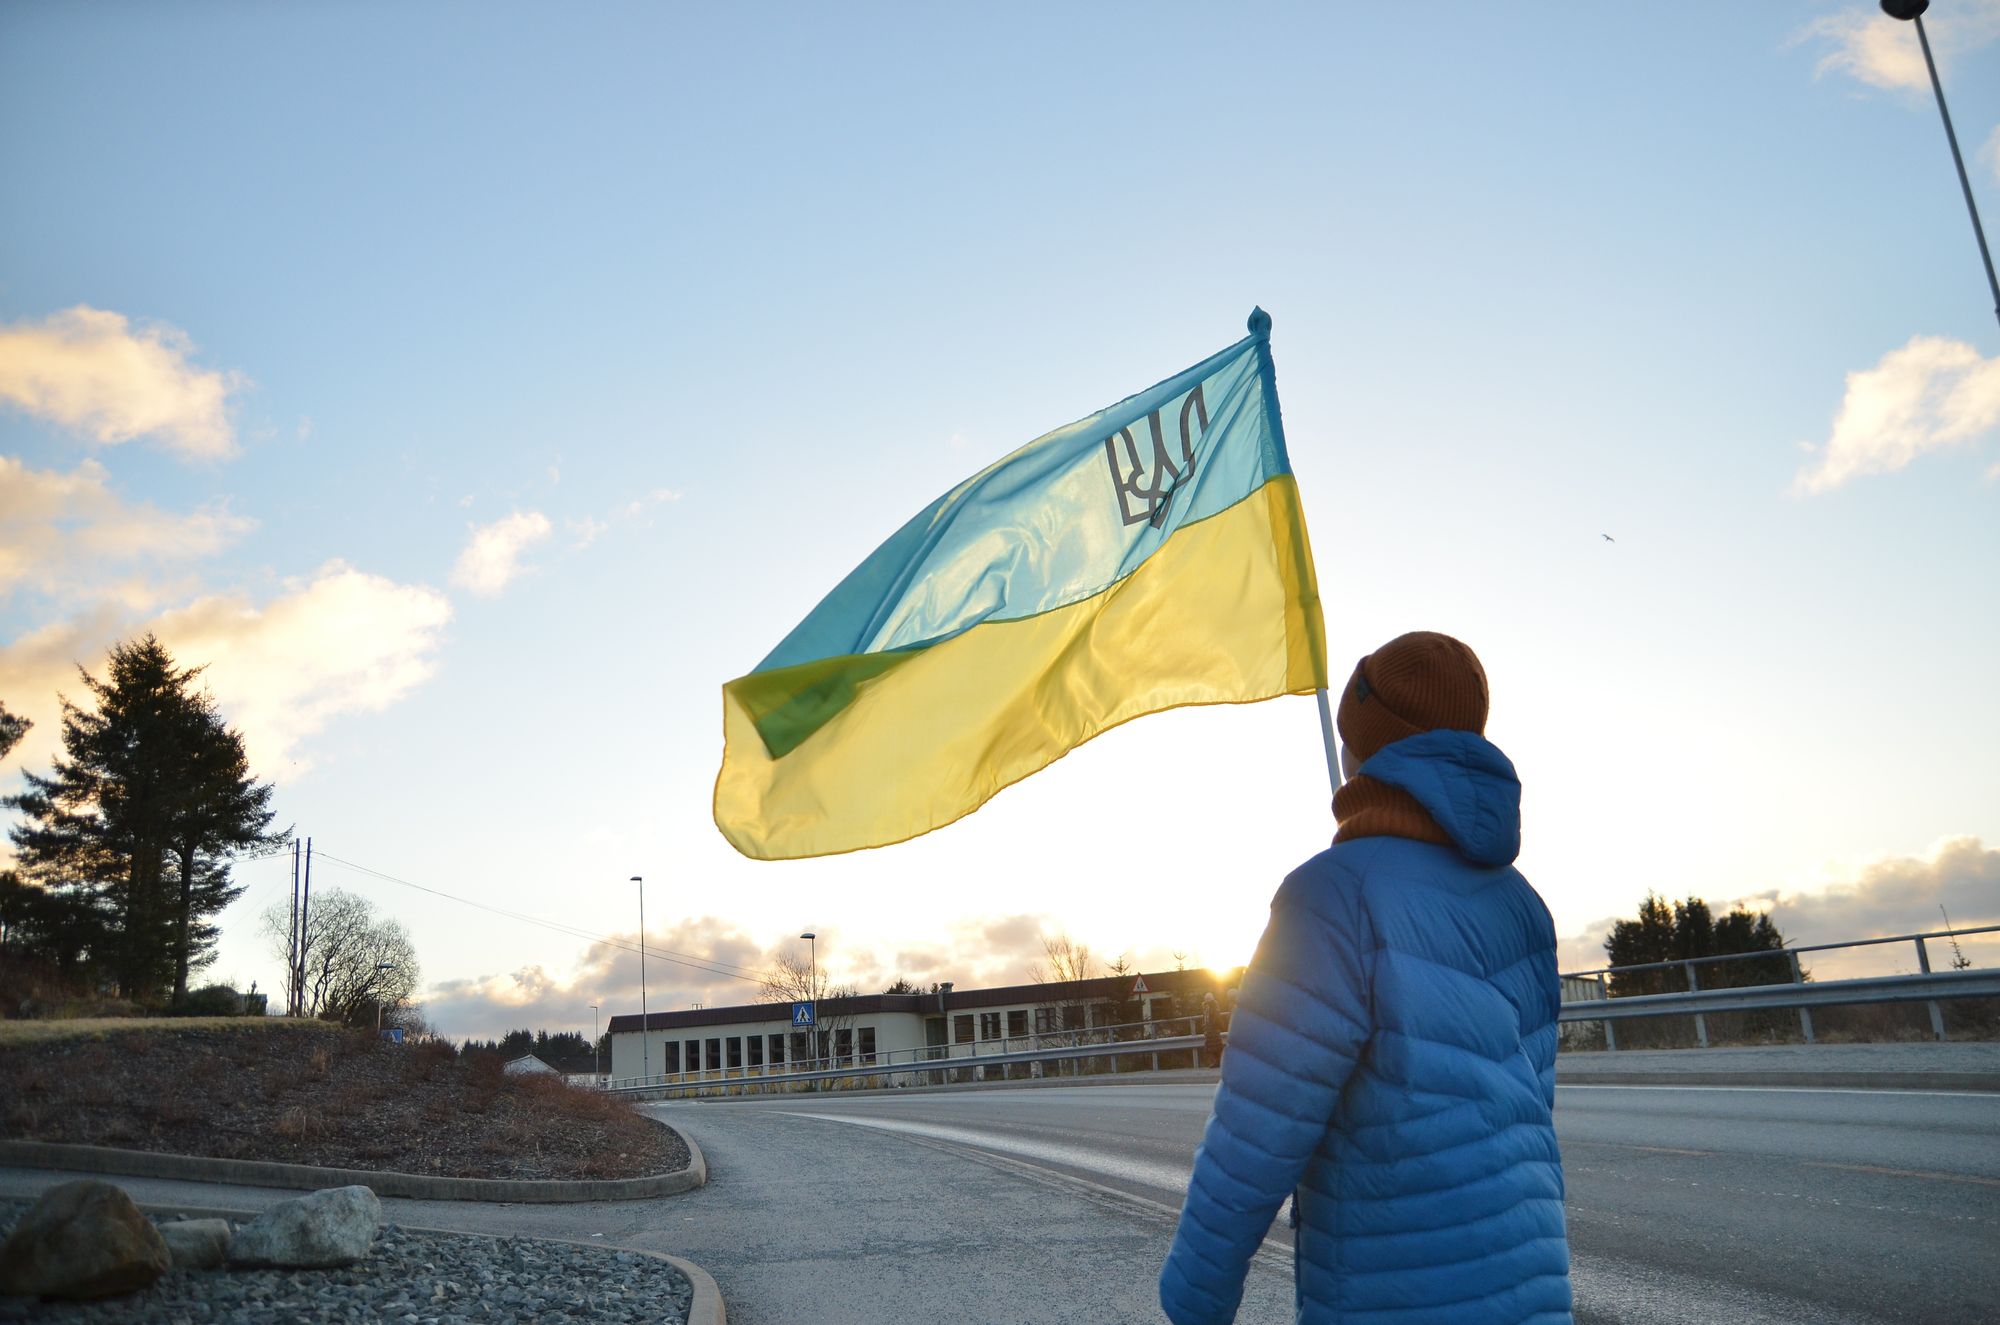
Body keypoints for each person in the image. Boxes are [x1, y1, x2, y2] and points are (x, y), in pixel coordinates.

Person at [1159, 631, 1571, 1325]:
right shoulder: (1524, 903)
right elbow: (1526, 1104)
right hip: (1529, 1287)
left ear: (1365, 752)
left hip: (1396, 1291)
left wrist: (1194, 1297)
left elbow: (1256, 1131)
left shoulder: (1331, 896)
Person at [1200, 990, 1223, 1069]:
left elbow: (1216, 1017)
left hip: (1213, 1028)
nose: (1207, 1000)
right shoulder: (1206, 1007)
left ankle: (1218, 1061)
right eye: (1206, 998)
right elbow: (1205, 1017)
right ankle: (1216, 1061)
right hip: (1209, 1028)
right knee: (1211, 1046)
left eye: (1208, 998)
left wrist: (1213, 1025)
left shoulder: (1213, 1005)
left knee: (1216, 1045)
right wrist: (1204, 1026)